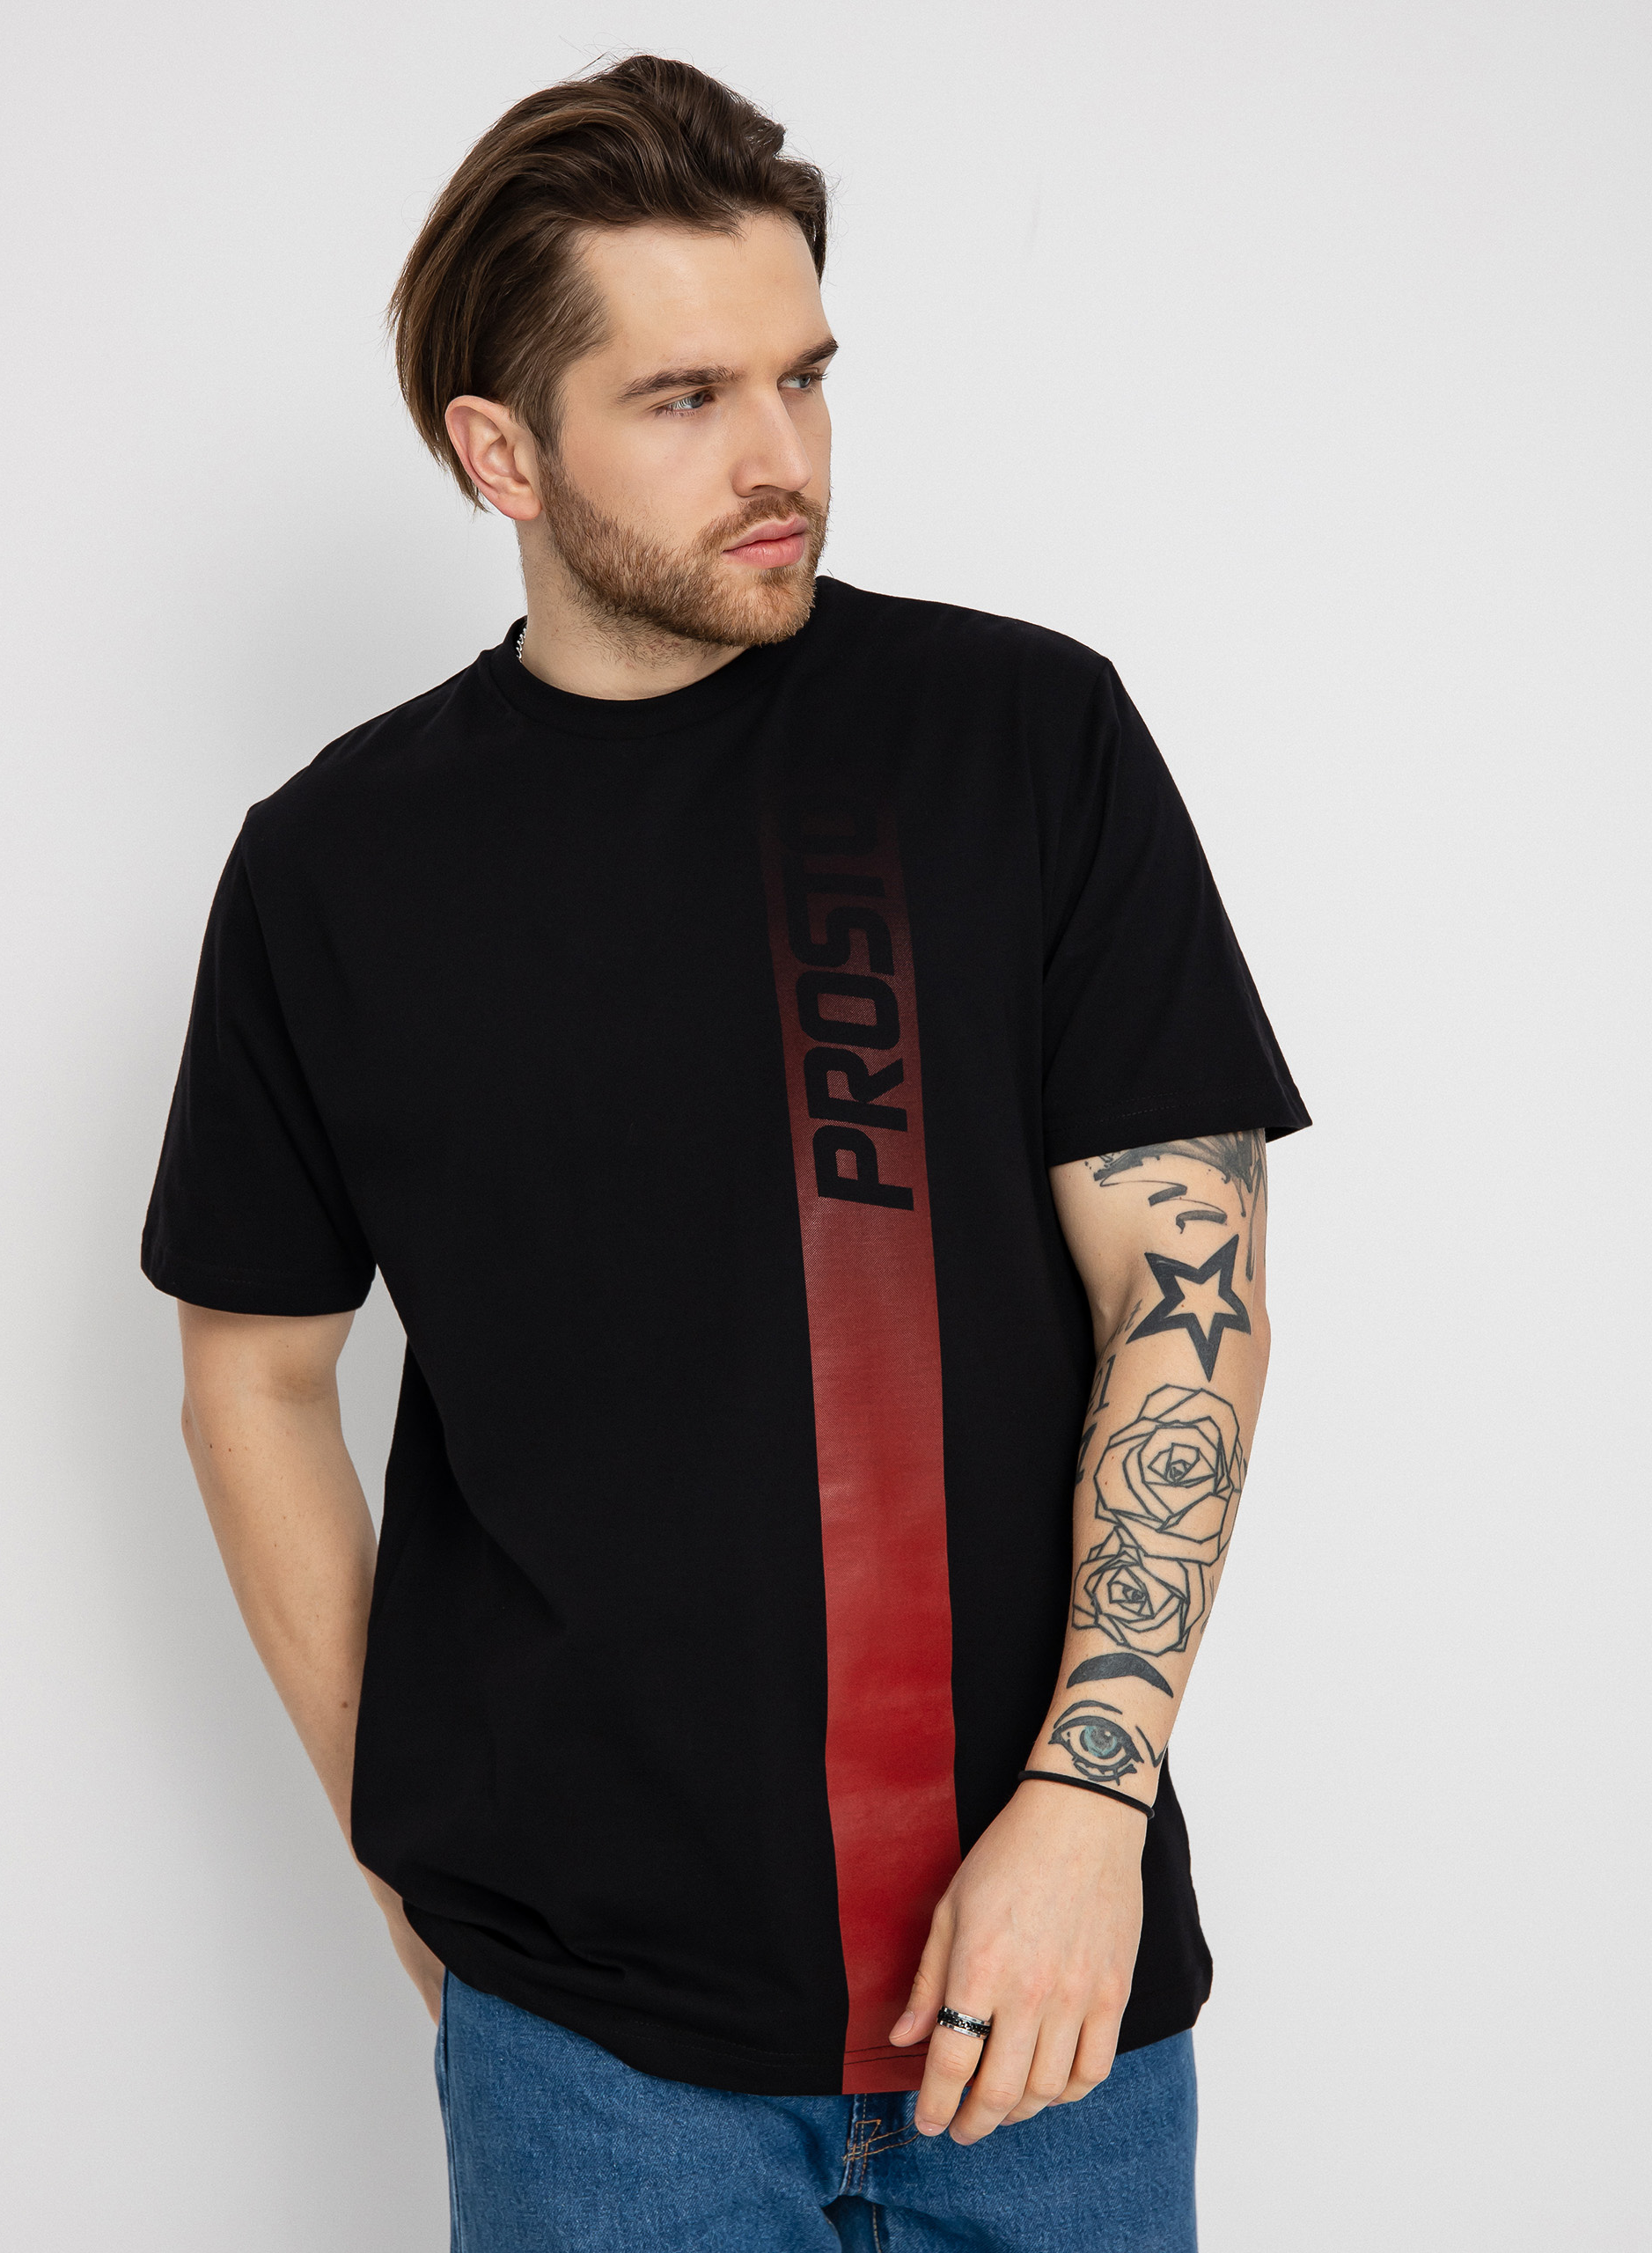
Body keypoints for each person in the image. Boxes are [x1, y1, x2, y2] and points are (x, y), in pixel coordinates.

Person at [143, 54, 1309, 2253]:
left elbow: (1189, 1294)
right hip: (596, 2059)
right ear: (500, 450)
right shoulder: (334, 867)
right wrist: (405, 1854)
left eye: (804, 376)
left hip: (1046, 2003)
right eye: (684, 398)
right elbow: (252, 1379)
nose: (782, 457)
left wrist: (1088, 1801)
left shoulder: (1021, 736)